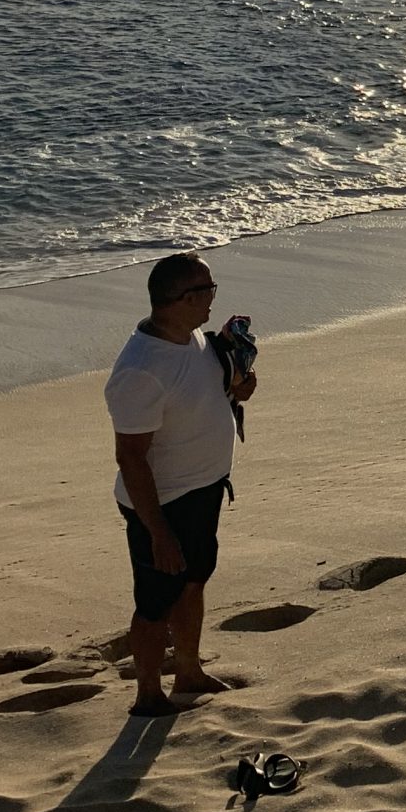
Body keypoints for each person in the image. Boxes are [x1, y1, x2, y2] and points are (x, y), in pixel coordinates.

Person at [105, 252, 258, 716]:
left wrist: (237, 389)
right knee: (154, 604)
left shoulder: (190, 336)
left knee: (193, 582)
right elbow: (130, 459)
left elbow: (201, 393)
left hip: (205, 489)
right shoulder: (140, 370)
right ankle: (148, 695)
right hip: (161, 504)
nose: (215, 297)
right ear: (180, 299)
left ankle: (188, 671)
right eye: (207, 290)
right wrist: (159, 533)